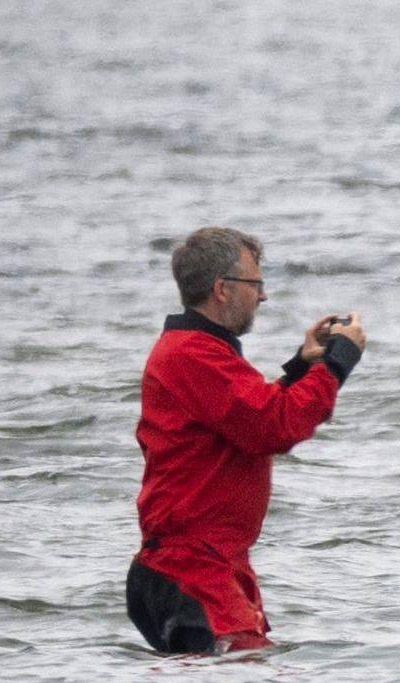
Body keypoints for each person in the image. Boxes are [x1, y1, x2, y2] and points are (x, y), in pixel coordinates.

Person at [127, 226, 367, 655]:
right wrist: (337, 365)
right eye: (256, 283)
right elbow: (275, 425)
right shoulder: (193, 354)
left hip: (209, 564)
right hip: (191, 567)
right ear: (223, 289)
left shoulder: (202, 351)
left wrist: (301, 367)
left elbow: (248, 414)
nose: (263, 296)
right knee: (244, 676)